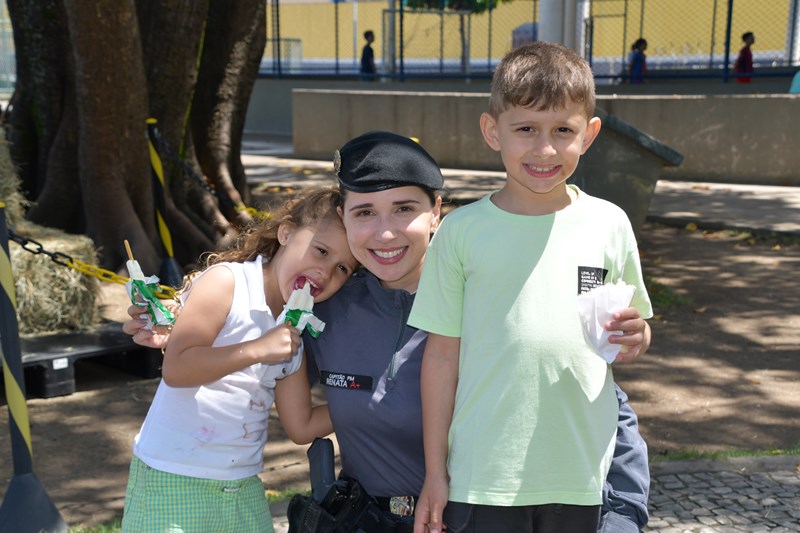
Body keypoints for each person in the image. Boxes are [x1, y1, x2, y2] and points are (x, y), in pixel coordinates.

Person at [124, 131, 651, 533]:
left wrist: (622, 513)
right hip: (362, 518)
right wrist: (165, 319)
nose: (385, 232)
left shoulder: (489, 293)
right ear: (346, 221)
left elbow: (594, 394)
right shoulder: (325, 305)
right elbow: (247, 317)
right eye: (364, 213)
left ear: (437, 213)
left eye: (405, 209)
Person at [408, 42, 653, 533]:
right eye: (526, 129)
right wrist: (436, 472)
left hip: (578, 471)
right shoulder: (461, 232)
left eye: (563, 130)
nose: (545, 149)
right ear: (491, 131)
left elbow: (632, 327)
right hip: (484, 474)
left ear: (589, 135)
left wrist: (638, 336)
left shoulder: (610, 224)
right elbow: (439, 359)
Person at [121, 188, 359, 533]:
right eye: (321, 250)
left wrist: (368, 404)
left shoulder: (294, 330)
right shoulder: (228, 283)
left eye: (343, 269)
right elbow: (177, 368)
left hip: (243, 485)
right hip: (172, 477)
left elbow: (301, 426)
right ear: (286, 233)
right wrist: (259, 348)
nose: (326, 271)